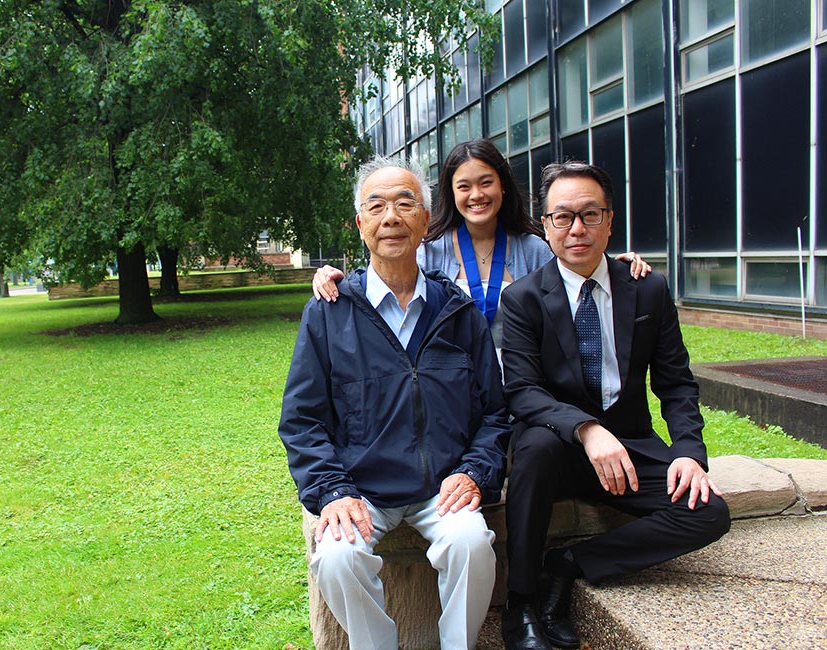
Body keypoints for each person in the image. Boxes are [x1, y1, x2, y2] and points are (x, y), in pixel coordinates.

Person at [279, 156, 509, 650]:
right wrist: (332, 491)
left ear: (426, 221)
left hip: (443, 485)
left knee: (471, 543)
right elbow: (301, 421)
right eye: (376, 205)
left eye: (406, 203)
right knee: (336, 558)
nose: (391, 217)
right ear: (360, 224)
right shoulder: (329, 312)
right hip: (361, 489)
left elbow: (494, 411)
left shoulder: (459, 311)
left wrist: (473, 471)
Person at [499, 161, 731, 650]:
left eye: (589, 214)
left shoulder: (647, 287)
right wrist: (585, 428)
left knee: (707, 512)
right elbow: (523, 390)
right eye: (562, 217)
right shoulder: (522, 298)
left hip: (630, 445)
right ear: (545, 225)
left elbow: (676, 383)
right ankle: (521, 600)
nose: (576, 228)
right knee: (535, 449)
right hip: (558, 446)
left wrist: (689, 451)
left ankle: (567, 564)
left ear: (610, 219)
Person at [313, 139, 650, 356]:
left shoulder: (534, 248)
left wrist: (613, 266)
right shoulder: (429, 248)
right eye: (464, 186)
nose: (476, 195)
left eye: (486, 182)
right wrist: (331, 275)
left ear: (502, 187)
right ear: (451, 193)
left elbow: (574, 282)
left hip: (524, 380)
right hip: (452, 381)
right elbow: (386, 275)